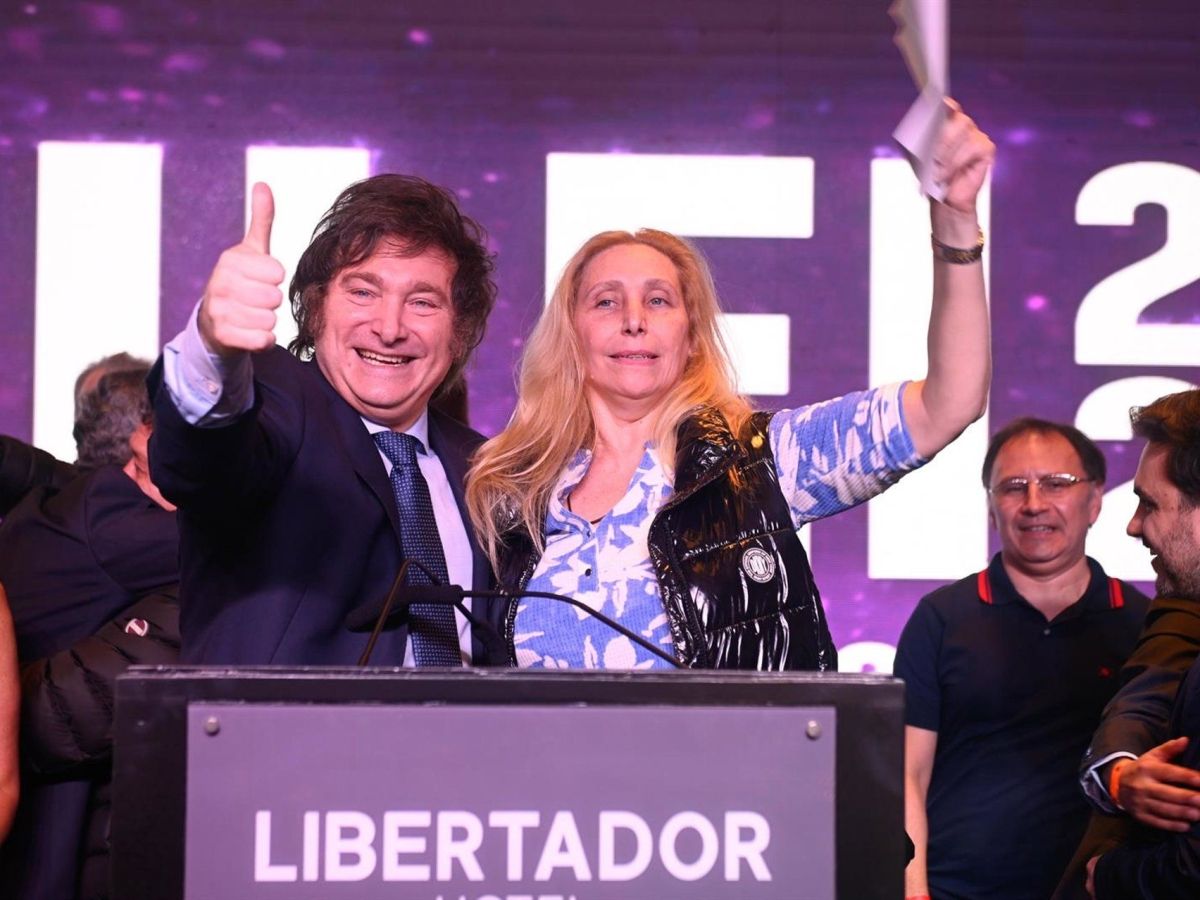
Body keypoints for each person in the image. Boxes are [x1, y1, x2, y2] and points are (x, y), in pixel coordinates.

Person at [466, 103, 994, 670]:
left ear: (692, 336)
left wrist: (956, 223)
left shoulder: (761, 460)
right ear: (571, 333)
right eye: (606, 301)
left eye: (658, 300)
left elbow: (949, 403)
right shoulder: (513, 492)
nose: (634, 320)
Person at [149, 174, 498, 665]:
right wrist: (212, 350)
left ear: (459, 332)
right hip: (276, 717)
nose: (389, 328)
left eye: (422, 302)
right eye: (363, 293)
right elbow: (200, 461)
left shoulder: (486, 467)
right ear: (315, 308)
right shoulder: (277, 402)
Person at [894, 418, 1150, 900]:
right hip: (954, 891)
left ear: (1095, 500)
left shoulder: (1141, 624)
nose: (1034, 503)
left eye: (1056, 484)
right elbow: (906, 772)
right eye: (1014, 487)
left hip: (1095, 891)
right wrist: (914, 891)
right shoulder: (941, 618)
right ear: (991, 508)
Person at [1082, 389, 1200, 899]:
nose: (1133, 525)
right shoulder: (1181, 608)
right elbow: (1148, 690)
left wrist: (1107, 875)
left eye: (1149, 503)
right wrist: (1119, 775)